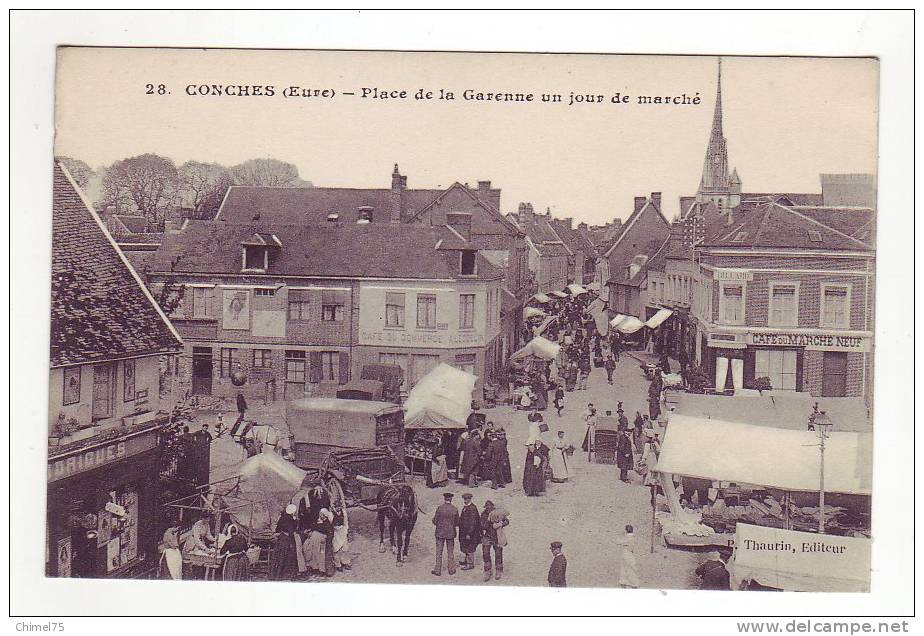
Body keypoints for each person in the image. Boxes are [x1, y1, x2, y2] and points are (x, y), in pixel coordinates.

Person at [270, 503, 301, 580]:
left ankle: (276, 575)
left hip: (281, 538)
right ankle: (286, 575)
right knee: (289, 557)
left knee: (279, 557)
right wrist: (295, 522)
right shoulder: (291, 519)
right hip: (288, 539)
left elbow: (277, 529)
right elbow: (291, 531)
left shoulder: (282, 518)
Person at [432, 492, 460, 576]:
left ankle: (437, 570)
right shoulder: (454, 509)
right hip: (450, 533)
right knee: (450, 552)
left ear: (444, 499)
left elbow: (435, 521)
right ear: (451, 499)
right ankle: (451, 569)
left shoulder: (440, 508)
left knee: (439, 552)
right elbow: (457, 522)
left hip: (440, 533)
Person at [304, 507, 335, 577]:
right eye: (320, 513)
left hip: (321, 541)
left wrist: (325, 538)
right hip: (314, 540)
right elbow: (314, 528)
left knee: (321, 555)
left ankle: (322, 570)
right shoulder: (318, 521)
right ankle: (315, 568)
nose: (320, 514)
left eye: (321, 514)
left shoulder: (327, 523)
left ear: (324, 515)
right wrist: (310, 532)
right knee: (313, 553)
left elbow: (329, 533)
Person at [458, 493, 482, 571]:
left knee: (470, 547)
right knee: (465, 545)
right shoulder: (466, 507)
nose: (465, 501)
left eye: (466, 499)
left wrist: (469, 533)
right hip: (464, 532)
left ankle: (470, 564)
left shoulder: (472, 508)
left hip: (470, 533)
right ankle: (466, 560)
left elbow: (473, 522)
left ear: (469, 499)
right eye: (464, 499)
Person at [331, 506, 352, 572]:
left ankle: (345, 562)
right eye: (336, 506)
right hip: (335, 532)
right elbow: (330, 523)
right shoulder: (330, 513)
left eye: (339, 506)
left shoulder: (343, 512)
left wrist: (346, 529)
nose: (338, 508)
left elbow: (346, 521)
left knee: (345, 548)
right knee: (336, 548)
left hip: (342, 531)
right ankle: (338, 564)